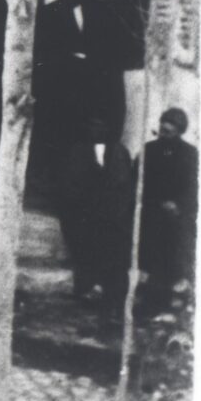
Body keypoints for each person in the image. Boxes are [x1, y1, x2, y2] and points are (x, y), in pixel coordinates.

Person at [34, 0, 135, 163]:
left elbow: (110, 52)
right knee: (60, 147)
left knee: (89, 147)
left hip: (93, 92)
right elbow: (44, 55)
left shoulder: (99, 12)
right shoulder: (48, 15)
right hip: (62, 93)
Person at [52, 108, 138, 307]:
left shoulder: (119, 152)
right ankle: (86, 289)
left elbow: (125, 184)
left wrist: (117, 211)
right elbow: (70, 184)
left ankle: (110, 293)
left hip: (111, 215)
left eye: (101, 126)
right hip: (85, 214)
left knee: (111, 254)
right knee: (86, 252)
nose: (96, 130)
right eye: (92, 126)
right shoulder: (77, 151)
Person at [139, 106, 200, 303]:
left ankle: (176, 292)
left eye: (169, 131)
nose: (163, 134)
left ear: (179, 131)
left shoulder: (190, 154)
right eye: (162, 129)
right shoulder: (149, 150)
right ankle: (148, 292)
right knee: (150, 250)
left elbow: (193, 186)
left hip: (178, 214)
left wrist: (178, 204)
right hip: (151, 210)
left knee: (177, 248)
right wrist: (157, 202)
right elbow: (138, 182)